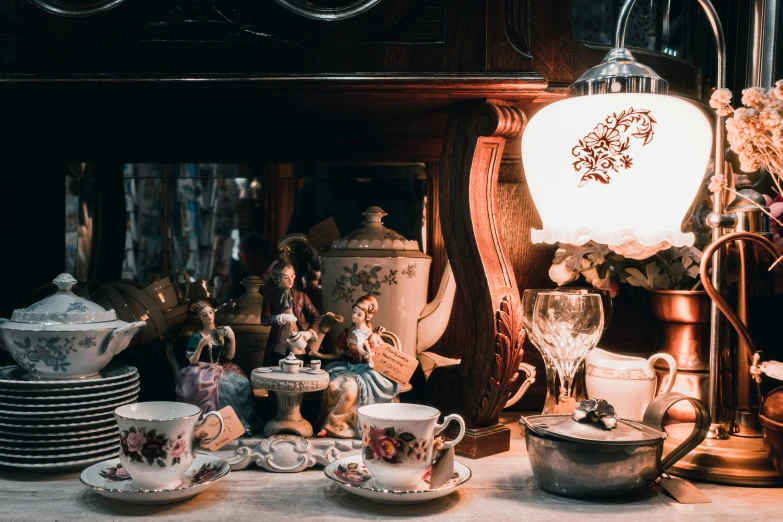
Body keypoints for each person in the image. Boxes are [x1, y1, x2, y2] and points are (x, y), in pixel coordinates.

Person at [310, 295, 399, 438]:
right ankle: (327, 422)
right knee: (333, 385)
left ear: (367, 316)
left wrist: (371, 356)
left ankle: (336, 426)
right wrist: (319, 355)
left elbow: (382, 360)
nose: (354, 316)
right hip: (350, 368)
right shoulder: (347, 333)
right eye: (354, 312)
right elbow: (337, 355)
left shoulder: (372, 337)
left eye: (359, 314)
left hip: (368, 371)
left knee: (349, 389)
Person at [175, 298, 261, 435]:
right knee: (226, 388)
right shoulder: (197, 336)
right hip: (202, 370)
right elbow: (192, 360)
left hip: (221, 367)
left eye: (210, 312)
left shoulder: (220, 332)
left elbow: (229, 356)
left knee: (243, 383)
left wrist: (232, 338)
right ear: (199, 318)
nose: (209, 316)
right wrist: (201, 345)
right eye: (204, 315)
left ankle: (243, 423)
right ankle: (226, 427)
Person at [261, 262, 322, 367]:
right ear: (277, 279)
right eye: (286, 278)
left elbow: (316, 316)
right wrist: (278, 318)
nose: (290, 280)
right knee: (278, 368)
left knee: (300, 367)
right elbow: (264, 320)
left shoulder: (301, 296)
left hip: (297, 341)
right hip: (279, 343)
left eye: (292, 276)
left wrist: (310, 332)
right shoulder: (270, 297)